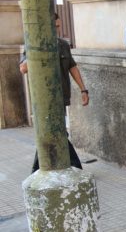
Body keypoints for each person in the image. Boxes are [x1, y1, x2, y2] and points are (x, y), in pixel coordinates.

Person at [20, 12, 89, 172]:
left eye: (58, 26)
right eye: (54, 26)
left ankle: (42, 168)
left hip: (61, 98)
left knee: (55, 131)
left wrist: (83, 89)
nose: (57, 30)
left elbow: (73, 67)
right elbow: (23, 68)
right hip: (43, 101)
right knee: (53, 132)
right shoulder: (33, 44)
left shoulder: (63, 45)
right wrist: (39, 50)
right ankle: (72, 165)